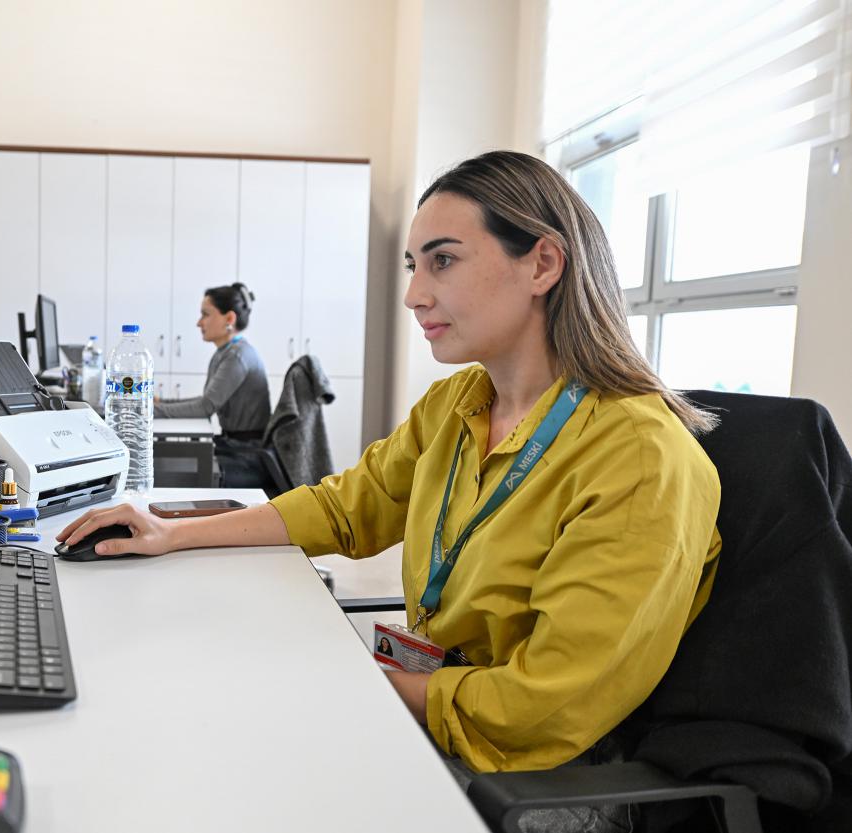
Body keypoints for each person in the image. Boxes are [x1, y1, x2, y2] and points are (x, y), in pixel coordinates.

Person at [60, 151, 721, 829]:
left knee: (231, 768)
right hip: (434, 697)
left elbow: (542, 707)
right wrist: (172, 531)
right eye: (414, 266)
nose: (413, 295)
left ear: (543, 265)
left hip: (535, 779)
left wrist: (353, 682)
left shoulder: (640, 456)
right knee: (205, 693)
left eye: (443, 260)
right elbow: (347, 507)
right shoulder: (460, 402)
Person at [155, 283, 273, 488]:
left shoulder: (236, 356)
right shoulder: (226, 352)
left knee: (169, 472)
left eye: (205, 314)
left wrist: (152, 410)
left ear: (229, 319)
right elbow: (206, 401)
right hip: (234, 447)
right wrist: (161, 402)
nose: (199, 322)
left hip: (247, 456)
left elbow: (205, 407)